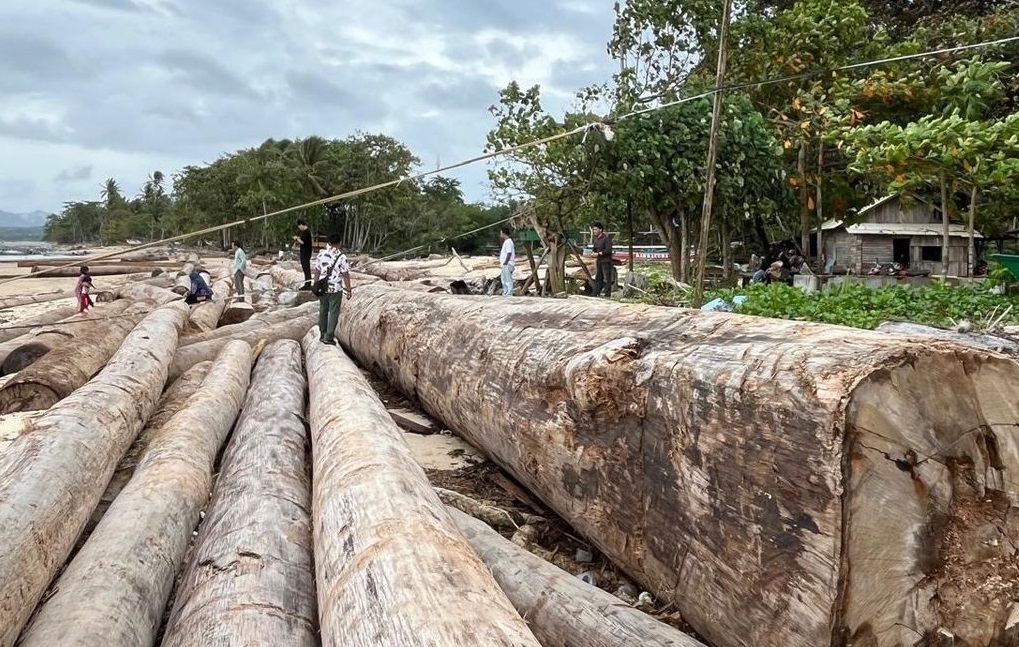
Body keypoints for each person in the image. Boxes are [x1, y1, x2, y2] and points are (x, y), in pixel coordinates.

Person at [313, 233, 352, 345]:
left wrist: (315, 285)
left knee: (323, 311)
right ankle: (329, 337)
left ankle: (322, 334)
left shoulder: (321, 255)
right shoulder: (342, 257)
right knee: (333, 313)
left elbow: (317, 271)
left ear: (328, 242)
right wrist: (349, 290)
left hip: (322, 288)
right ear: (339, 243)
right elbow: (345, 275)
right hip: (335, 289)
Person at [590, 222, 614, 297]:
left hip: (606, 260)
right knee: (598, 277)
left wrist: (600, 253)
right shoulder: (596, 239)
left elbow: (609, 250)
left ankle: (607, 293)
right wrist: (593, 253)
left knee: (606, 278)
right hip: (599, 260)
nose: (594, 231)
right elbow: (594, 249)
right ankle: (596, 292)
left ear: (600, 230)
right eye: (593, 230)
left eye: (595, 229)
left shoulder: (606, 239)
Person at [294, 220, 313, 290]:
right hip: (304, 252)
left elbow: (303, 242)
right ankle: (307, 283)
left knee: (306, 268)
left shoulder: (307, 232)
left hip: (306, 253)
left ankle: (308, 284)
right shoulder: (304, 232)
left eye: (299, 226)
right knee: (305, 268)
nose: (299, 228)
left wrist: (296, 239)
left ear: (301, 225)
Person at [499, 227, 515, 297]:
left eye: (501, 233)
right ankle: (505, 292)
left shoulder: (508, 241)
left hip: (507, 264)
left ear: (503, 233)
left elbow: (509, 253)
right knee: (503, 278)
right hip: (504, 264)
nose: (500, 234)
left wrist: (506, 262)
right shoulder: (506, 241)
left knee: (508, 279)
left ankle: (509, 292)